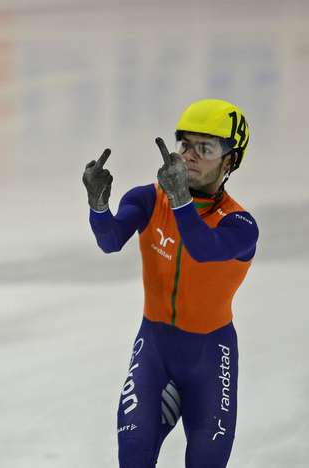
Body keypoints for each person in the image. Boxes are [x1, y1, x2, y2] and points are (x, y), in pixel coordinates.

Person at [82, 99, 258, 467]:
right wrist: (98, 207)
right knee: (133, 458)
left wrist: (180, 202)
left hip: (211, 357)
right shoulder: (148, 199)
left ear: (230, 161)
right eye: (185, 145)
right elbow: (110, 241)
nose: (189, 156)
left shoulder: (240, 225)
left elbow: (203, 249)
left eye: (204, 148)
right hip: (155, 350)